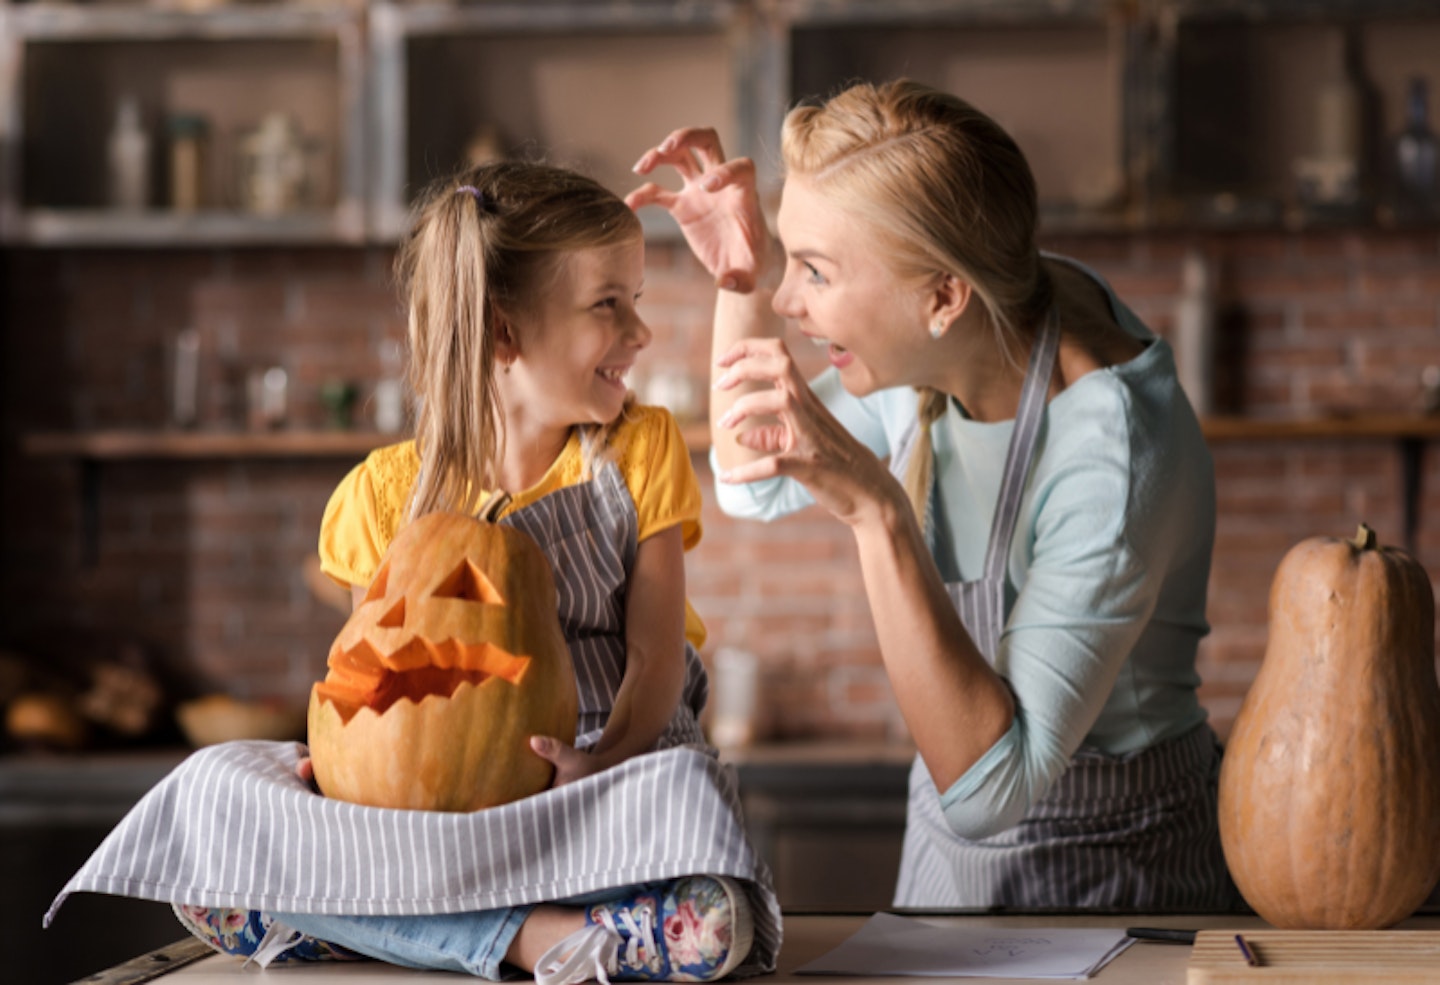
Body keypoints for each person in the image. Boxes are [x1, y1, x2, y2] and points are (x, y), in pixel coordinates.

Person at [627, 78, 1234, 910]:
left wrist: (876, 510)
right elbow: (750, 479)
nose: (786, 300)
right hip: (948, 863)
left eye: (814, 270)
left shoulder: (1112, 446)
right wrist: (741, 277)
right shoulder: (959, 329)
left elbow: (992, 786)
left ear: (943, 296)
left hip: (1123, 879)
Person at [169, 160, 761, 981]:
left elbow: (656, 657)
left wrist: (607, 759)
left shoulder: (637, 451)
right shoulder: (381, 496)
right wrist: (335, 773)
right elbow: (369, 679)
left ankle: (395, 926)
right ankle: (549, 937)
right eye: (608, 304)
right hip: (438, 826)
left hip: (598, 787)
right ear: (503, 331)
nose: (640, 332)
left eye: (638, 301)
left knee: (695, 813)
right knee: (216, 792)